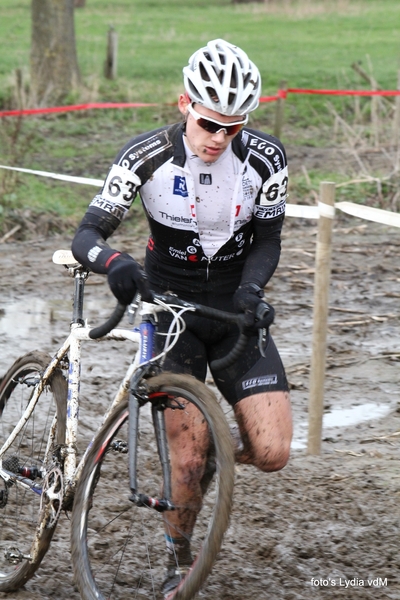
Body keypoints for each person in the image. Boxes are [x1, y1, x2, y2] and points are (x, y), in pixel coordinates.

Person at [72, 38, 292, 597]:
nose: (219, 138)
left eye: (233, 128)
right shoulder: (144, 156)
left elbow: (269, 239)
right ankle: (179, 559)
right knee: (187, 462)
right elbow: (87, 235)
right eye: (209, 123)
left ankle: (212, 440)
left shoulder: (267, 160)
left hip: (233, 309)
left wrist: (250, 288)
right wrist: (114, 262)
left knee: (272, 453)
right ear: (183, 105)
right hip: (170, 312)